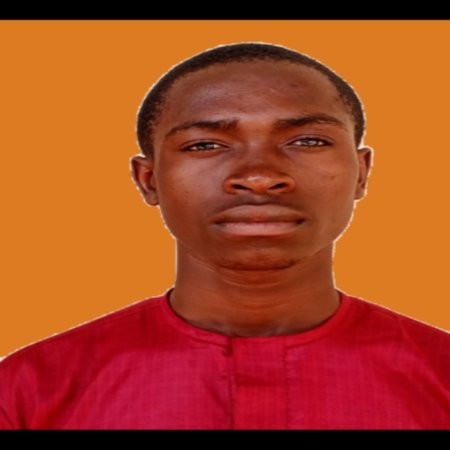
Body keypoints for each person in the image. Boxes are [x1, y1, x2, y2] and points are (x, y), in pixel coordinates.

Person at [0, 41, 449, 430]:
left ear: (361, 173)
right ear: (148, 180)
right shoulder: (28, 390)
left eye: (308, 141)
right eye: (204, 145)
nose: (259, 176)